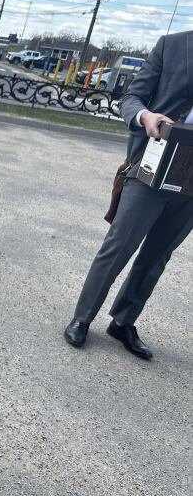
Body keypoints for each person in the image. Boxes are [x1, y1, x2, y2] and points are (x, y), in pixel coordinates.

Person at [63, 31, 193, 360]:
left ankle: (123, 322)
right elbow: (131, 99)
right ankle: (83, 317)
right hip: (153, 164)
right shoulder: (173, 45)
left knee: (156, 256)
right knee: (119, 246)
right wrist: (145, 116)